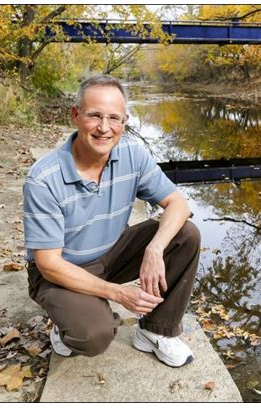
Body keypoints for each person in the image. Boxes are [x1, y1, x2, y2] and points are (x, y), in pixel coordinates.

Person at [23, 74, 201, 368]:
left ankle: (155, 331)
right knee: (93, 336)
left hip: (111, 253)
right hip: (62, 270)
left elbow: (178, 203)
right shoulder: (44, 179)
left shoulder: (131, 152)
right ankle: (65, 324)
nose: (104, 128)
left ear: (125, 121)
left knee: (185, 233)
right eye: (94, 116)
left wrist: (154, 249)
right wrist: (118, 293)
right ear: (76, 115)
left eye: (114, 118)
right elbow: (48, 264)